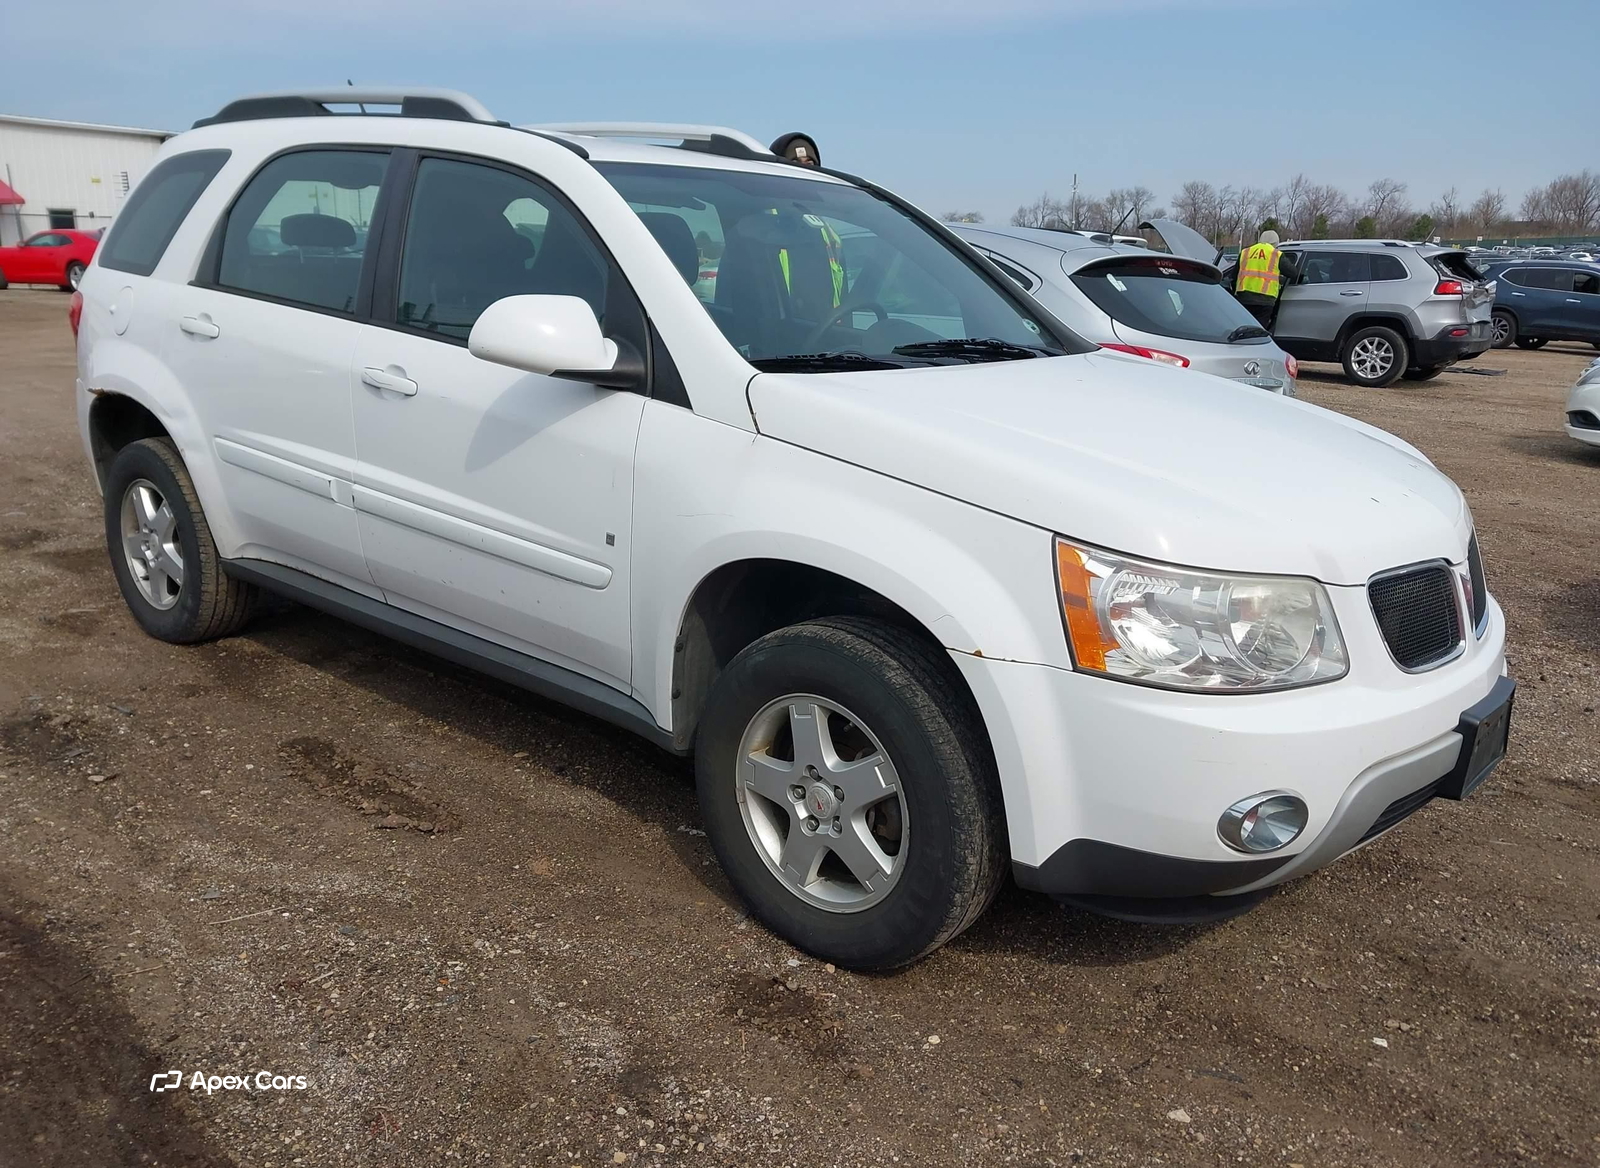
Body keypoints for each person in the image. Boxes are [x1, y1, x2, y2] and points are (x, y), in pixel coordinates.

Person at [1235, 228, 1284, 327]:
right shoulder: (1276, 254)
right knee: (1258, 330)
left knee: (1244, 328)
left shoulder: (1245, 252)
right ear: (1275, 243)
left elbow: (1233, 275)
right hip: (1265, 300)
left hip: (1244, 298)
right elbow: (1293, 273)